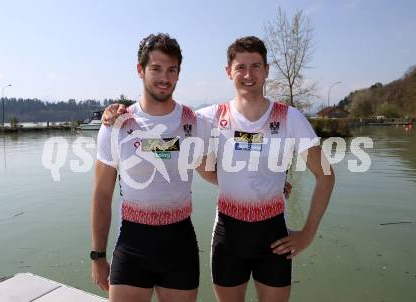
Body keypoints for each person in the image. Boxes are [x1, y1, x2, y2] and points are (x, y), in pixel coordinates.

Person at [101, 36, 333, 302]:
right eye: (240, 67)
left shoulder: (290, 118)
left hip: (274, 240)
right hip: (228, 239)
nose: (248, 75)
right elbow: (167, 137)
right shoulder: (209, 118)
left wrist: (307, 234)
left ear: (267, 70)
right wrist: (115, 111)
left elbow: (325, 175)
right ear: (228, 72)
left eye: (256, 66)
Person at [91, 33, 214, 302]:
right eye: (156, 68)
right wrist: (98, 256)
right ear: (140, 70)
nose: (164, 77)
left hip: (179, 247)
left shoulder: (195, 122)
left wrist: (273, 181)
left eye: (172, 70)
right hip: (132, 246)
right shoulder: (117, 124)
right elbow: (102, 195)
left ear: (179, 74)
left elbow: (223, 163)